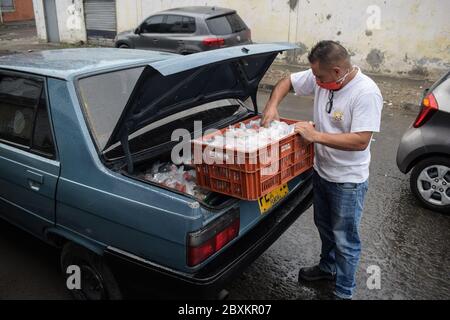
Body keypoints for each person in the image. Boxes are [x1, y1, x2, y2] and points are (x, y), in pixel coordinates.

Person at [261, 40, 383, 300]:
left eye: (319, 76)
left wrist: (315, 136)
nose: (315, 80)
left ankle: (344, 292)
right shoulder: (323, 76)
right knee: (325, 227)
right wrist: (272, 106)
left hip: (348, 181)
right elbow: (287, 82)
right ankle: (328, 268)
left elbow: (360, 140)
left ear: (338, 72)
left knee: (345, 239)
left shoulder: (366, 93)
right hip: (322, 172)